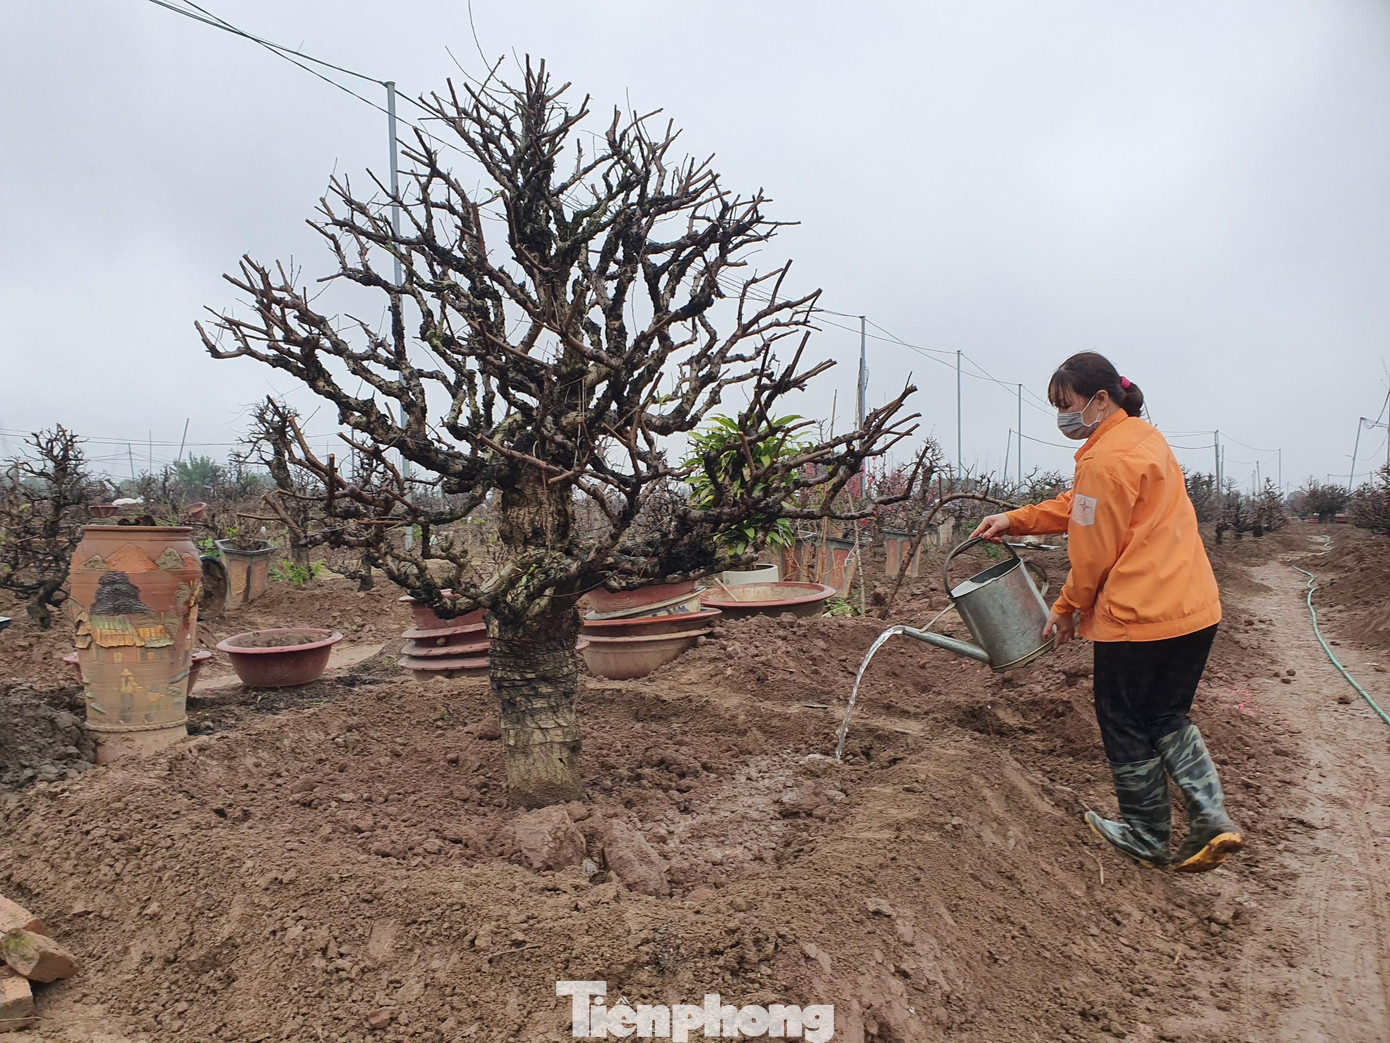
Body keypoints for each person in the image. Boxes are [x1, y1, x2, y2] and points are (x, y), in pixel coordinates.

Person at [969, 352, 1241, 873]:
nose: (1061, 417)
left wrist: (1067, 606)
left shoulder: (1103, 459)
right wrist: (1016, 519)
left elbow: (1092, 549)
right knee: (1165, 713)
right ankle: (1211, 815)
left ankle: (1145, 832)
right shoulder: (1143, 439)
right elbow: (1083, 505)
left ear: (1099, 399)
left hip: (1138, 615)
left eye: (1065, 404)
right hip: (1194, 608)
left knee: (1119, 715)